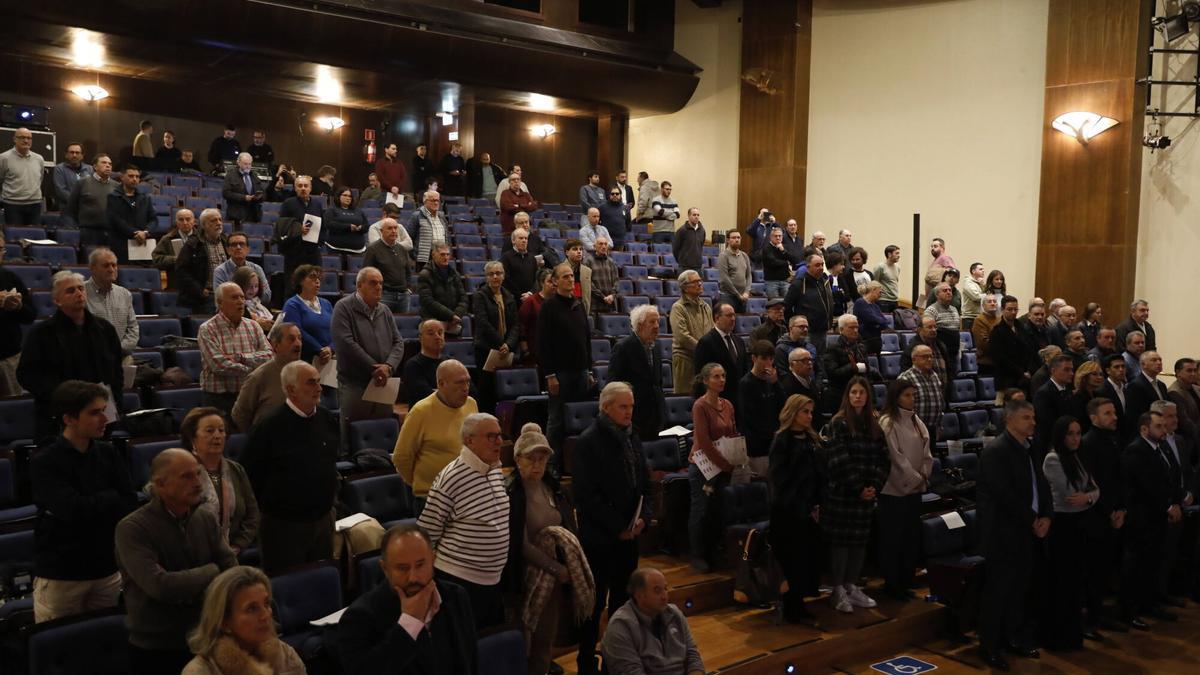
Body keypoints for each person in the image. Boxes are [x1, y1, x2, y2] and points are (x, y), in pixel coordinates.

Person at [116, 449, 237, 674]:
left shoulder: (204, 518)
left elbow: (232, 570)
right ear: (160, 484)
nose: (198, 483)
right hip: (158, 647)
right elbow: (161, 586)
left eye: (198, 474)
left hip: (205, 635)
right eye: (186, 477)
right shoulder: (132, 528)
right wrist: (211, 570)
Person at [30, 381, 136, 623]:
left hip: (105, 567)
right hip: (63, 573)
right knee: (61, 645)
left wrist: (96, 503)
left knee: (103, 642)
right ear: (69, 419)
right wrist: (109, 497)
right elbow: (71, 510)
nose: (104, 419)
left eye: (104, 411)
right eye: (94, 413)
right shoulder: (45, 461)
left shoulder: (108, 453)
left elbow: (129, 502)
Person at [572, 382, 652, 675]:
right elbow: (586, 496)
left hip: (629, 536)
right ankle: (585, 662)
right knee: (594, 606)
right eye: (623, 406)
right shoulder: (589, 441)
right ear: (606, 407)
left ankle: (614, 660)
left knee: (622, 601)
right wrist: (618, 527)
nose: (629, 412)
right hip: (600, 539)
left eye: (631, 406)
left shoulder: (633, 436)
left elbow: (644, 481)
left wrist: (645, 516)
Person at [334, 523, 478, 675]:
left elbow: (470, 660)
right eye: (402, 568)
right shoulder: (359, 618)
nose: (413, 577)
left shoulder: (456, 596)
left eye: (420, 565)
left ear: (433, 559)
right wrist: (409, 623)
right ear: (385, 568)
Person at [503, 423, 587, 675]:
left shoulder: (554, 487)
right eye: (531, 459)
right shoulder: (512, 493)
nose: (537, 465)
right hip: (524, 578)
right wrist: (556, 568)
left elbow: (568, 525)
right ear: (518, 459)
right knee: (522, 645)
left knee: (543, 644)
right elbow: (520, 543)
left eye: (542, 459)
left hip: (552, 580)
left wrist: (568, 564)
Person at [241, 361, 338, 575]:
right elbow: (251, 479)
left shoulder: (326, 418)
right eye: (311, 383)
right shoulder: (268, 428)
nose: (319, 388)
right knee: (288, 588)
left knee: (321, 582)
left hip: (322, 521)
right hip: (284, 528)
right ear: (291, 389)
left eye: (319, 382)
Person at [976, 399, 1051, 669]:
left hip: (1026, 531)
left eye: (1033, 417)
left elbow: (1040, 484)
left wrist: (1046, 516)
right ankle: (989, 647)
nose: (1033, 422)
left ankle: (1012, 638)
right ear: (1009, 420)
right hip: (1003, 534)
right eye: (1026, 418)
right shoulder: (996, 451)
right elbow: (1003, 495)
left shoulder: (1029, 447)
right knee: (998, 593)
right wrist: (1033, 519)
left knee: (1019, 590)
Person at [417, 412, 509, 629]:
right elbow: (427, 532)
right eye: (491, 436)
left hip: (492, 580)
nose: (499, 442)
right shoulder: (451, 477)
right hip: (459, 582)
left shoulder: (495, 469)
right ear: (469, 440)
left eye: (499, 435)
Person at [17, 271, 123, 439]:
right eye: (70, 290)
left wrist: (113, 400)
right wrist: (62, 397)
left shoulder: (104, 329)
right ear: (57, 300)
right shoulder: (42, 333)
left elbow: (117, 369)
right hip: (60, 415)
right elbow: (27, 374)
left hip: (102, 411)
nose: (78, 293)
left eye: (81, 288)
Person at [822, 376, 889, 613]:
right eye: (854, 393)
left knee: (859, 543)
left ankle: (851, 585)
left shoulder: (874, 425)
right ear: (847, 396)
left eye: (862, 392)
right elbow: (838, 460)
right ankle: (838, 588)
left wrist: (873, 487)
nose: (858, 396)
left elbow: (884, 459)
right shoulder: (838, 423)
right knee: (841, 544)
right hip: (844, 494)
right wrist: (859, 487)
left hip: (867, 495)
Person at [1040, 416, 1099, 650]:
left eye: (1077, 433)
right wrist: (1089, 497)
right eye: (1071, 434)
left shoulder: (1077, 456)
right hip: (1062, 527)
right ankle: (1057, 636)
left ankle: (1073, 634)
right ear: (1061, 436)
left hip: (1078, 524)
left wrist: (1089, 497)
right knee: (1062, 582)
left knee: (1075, 581)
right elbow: (1070, 496)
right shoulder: (1053, 459)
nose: (1076, 438)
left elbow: (1095, 489)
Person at [182, 566, 305, 675]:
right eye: (252, 609)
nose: (266, 615)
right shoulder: (200, 671)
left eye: (266, 604)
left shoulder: (285, 655)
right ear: (224, 622)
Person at [393, 360, 479, 516]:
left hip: (466, 495)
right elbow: (401, 457)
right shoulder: (421, 411)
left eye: (467, 382)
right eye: (459, 383)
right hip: (431, 499)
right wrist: (420, 483)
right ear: (441, 384)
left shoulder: (471, 404)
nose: (465, 388)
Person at [331, 267, 405, 442]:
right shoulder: (343, 307)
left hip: (383, 383)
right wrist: (374, 368)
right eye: (373, 282)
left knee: (381, 432)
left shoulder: (385, 310)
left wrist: (388, 367)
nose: (378, 287)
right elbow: (345, 343)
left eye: (380, 283)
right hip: (355, 384)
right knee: (351, 436)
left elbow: (398, 342)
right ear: (359, 285)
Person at [767, 394, 824, 622]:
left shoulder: (811, 439)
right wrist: (803, 505)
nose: (809, 416)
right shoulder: (782, 441)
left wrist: (817, 503)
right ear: (793, 413)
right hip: (788, 513)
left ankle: (800, 603)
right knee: (792, 561)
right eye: (805, 412)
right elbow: (780, 480)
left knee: (806, 560)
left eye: (811, 412)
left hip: (809, 509)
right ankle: (792, 608)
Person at [1119, 411, 1177, 630]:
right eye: (1159, 426)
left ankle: (1148, 603)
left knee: (1151, 563)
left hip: (1155, 518)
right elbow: (1145, 487)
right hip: (1141, 519)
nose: (1164, 430)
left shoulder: (1156, 449)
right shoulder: (1136, 451)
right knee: (1136, 566)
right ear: (1145, 429)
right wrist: (1168, 505)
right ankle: (1129, 611)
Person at [876, 380, 933, 602]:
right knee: (893, 539)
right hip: (894, 489)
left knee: (910, 537)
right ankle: (892, 583)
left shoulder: (916, 420)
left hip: (914, 489)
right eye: (908, 395)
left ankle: (906, 578)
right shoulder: (888, 422)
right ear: (896, 397)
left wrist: (924, 474)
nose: (912, 399)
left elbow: (927, 450)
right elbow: (896, 457)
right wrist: (915, 477)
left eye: (913, 395)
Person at [1077, 397, 1127, 634]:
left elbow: (1118, 479)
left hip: (1113, 513)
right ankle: (1089, 619)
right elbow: (1091, 484)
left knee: (1105, 569)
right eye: (1108, 413)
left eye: (1114, 412)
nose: (1114, 417)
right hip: (1096, 516)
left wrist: (1121, 509)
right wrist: (1110, 511)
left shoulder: (1112, 440)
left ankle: (1099, 615)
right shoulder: (1087, 444)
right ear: (1094, 417)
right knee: (1092, 571)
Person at [181, 407, 260, 555]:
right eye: (210, 431)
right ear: (192, 438)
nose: (217, 435)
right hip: (193, 555)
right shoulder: (182, 470)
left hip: (233, 553)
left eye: (221, 430)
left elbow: (252, 515)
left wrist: (238, 545)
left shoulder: (236, 470)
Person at [601, 568, 705, 675]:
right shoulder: (621, 626)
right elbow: (632, 671)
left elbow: (692, 656)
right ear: (639, 595)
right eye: (657, 590)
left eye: (665, 588)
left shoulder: (674, 614)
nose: (665, 596)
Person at [538, 263, 594, 454]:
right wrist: (550, 375)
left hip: (580, 371)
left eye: (571, 276)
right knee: (557, 420)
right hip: (560, 373)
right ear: (555, 281)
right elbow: (543, 344)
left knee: (581, 416)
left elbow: (586, 339)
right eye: (565, 277)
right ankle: (552, 460)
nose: (570, 279)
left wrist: (590, 370)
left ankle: (577, 458)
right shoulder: (549, 307)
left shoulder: (578, 305)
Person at [687, 363, 737, 572]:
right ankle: (697, 553)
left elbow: (733, 431)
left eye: (723, 376)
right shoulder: (700, 405)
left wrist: (735, 454)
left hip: (724, 463)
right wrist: (724, 464)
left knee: (718, 509)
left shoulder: (727, 404)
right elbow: (704, 441)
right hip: (705, 466)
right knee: (702, 510)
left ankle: (715, 551)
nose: (722, 380)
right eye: (716, 376)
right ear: (706, 381)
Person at [197, 283, 273, 415]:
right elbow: (219, 365)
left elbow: (269, 356)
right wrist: (253, 371)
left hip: (248, 395)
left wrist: (241, 357)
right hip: (218, 399)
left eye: (242, 297)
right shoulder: (207, 329)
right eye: (234, 298)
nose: (241, 302)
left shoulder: (253, 326)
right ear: (220, 303)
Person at [231, 322, 302, 432]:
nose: (298, 344)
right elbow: (239, 415)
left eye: (299, 338)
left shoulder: (306, 372)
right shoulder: (259, 376)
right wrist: (258, 436)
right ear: (275, 345)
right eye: (291, 339)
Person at [609, 304, 666, 441]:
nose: (657, 326)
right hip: (635, 415)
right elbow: (614, 383)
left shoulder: (656, 346)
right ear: (640, 325)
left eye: (658, 321)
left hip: (655, 415)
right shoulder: (623, 347)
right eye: (652, 322)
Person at [471, 261, 520, 413]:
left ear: (503, 276)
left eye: (498, 273)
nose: (495, 277)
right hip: (486, 348)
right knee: (487, 390)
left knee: (505, 388)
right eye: (491, 274)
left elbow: (515, 325)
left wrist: (508, 344)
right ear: (486, 277)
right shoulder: (480, 296)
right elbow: (483, 323)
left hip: (505, 349)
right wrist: (501, 344)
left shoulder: (509, 296)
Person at [693, 302, 750, 410]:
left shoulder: (739, 341)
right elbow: (700, 376)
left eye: (734, 315)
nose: (733, 319)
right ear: (717, 318)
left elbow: (744, 371)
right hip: (717, 402)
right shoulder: (706, 342)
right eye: (729, 316)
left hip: (739, 402)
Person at [739, 340, 783, 477]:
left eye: (771, 359)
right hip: (757, 446)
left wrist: (776, 384)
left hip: (774, 443)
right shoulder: (746, 383)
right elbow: (748, 418)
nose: (768, 363)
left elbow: (784, 406)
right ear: (754, 358)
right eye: (764, 359)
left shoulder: (772, 381)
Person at [84, 247, 140, 355]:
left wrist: (118, 349)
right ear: (92, 268)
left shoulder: (125, 294)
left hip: (122, 355)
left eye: (114, 265)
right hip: (92, 356)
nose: (111, 269)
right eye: (106, 266)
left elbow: (133, 328)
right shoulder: (81, 293)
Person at [0, 234, 35, 396]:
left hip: (9, 356)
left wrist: (18, 307)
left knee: (15, 408)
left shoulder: (10, 277)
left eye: (1, 249)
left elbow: (30, 316)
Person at [176, 208, 229, 314]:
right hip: (205, 296)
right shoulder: (193, 244)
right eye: (213, 221)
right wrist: (200, 290)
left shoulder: (226, 241)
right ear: (204, 225)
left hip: (226, 294)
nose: (218, 223)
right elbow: (181, 270)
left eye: (220, 219)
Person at [669, 270, 714, 394]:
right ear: (684, 287)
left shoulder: (706, 306)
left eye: (700, 280)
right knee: (686, 396)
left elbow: (712, 331)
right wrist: (703, 348)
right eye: (695, 282)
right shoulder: (678, 307)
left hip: (703, 358)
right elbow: (682, 336)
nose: (699, 284)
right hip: (685, 359)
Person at [281, 265, 334, 363]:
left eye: (319, 278)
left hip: (329, 358)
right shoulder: (292, 304)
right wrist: (319, 350)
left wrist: (331, 348)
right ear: (301, 281)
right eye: (312, 277)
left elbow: (336, 329)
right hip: (304, 359)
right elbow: (297, 332)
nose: (317, 281)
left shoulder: (326, 303)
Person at [276, 176, 324, 281]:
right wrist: (298, 229)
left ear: (310, 188)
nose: (303, 188)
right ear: (295, 188)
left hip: (313, 251)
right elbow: (282, 227)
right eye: (300, 186)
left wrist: (320, 242)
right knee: (293, 284)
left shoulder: (317, 204)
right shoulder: (288, 203)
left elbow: (323, 225)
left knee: (314, 282)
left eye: (306, 186)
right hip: (294, 251)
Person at [896, 344, 945, 446]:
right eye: (925, 357)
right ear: (914, 360)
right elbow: (899, 407)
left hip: (932, 429)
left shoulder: (935, 376)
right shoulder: (905, 378)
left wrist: (939, 425)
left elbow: (939, 401)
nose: (929, 359)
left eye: (931, 356)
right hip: (913, 430)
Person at [68, 153, 118, 249]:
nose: (108, 165)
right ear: (95, 166)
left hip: (110, 232)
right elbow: (71, 208)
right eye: (104, 163)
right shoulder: (82, 183)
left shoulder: (117, 186)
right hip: (88, 232)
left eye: (110, 164)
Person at [418, 242, 469, 336]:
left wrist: (456, 315)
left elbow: (464, 297)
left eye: (447, 254)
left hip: (452, 322)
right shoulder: (425, 274)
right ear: (433, 255)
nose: (446, 257)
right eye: (442, 254)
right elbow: (428, 301)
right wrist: (451, 316)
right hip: (432, 320)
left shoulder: (454, 273)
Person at [364, 218, 413, 313]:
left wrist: (407, 288)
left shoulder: (402, 249)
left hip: (403, 296)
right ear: (381, 231)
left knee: (402, 326)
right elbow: (367, 273)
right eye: (390, 228)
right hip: (383, 295)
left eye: (395, 228)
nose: (393, 231)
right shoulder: (373, 249)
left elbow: (408, 271)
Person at [821, 314, 872, 408]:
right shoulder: (832, 348)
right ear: (841, 330)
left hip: (860, 390)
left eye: (857, 327)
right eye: (851, 328)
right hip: (841, 393)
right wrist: (853, 367)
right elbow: (832, 373)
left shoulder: (860, 347)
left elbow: (867, 369)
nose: (855, 330)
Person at [106, 164, 153, 263]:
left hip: (141, 243)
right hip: (121, 243)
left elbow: (153, 219)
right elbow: (115, 220)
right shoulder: (113, 197)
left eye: (137, 176)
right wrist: (135, 233)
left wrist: (145, 232)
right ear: (122, 177)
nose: (135, 179)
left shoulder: (145, 198)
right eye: (131, 176)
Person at [784, 254, 833, 348]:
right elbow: (787, 307)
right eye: (817, 265)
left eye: (822, 264)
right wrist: (795, 326)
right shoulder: (799, 284)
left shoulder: (825, 281)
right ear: (808, 267)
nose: (821, 267)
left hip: (824, 329)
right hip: (807, 331)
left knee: (821, 359)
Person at [212, 232, 271, 305]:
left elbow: (267, 296)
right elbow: (220, 300)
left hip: (254, 311)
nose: (238, 247)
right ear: (228, 250)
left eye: (242, 244)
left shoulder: (257, 269)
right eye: (234, 245)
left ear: (248, 249)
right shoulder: (220, 271)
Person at [0, 127, 44, 224]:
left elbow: (40, 179)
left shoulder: (39, 158)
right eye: (22, 137)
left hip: (35, 204)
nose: (26, 140)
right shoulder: (4, 158)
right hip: (12, 205)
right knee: (15, 237)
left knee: (34, 237)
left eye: (29, 138)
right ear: (15, 139)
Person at [989, 295, 1033, 391]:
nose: (1013, 312)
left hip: (1023, 378)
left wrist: (1027, 370)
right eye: (1010, 309)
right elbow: (1000, 358)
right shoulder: (997, 331)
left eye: (1015, 309)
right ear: (1002, 309)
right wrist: (1021, 372)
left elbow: (1028, 350)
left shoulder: (1021, 327)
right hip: (1006, 379)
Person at [1034, 354, 1076, 449]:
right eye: (1066, 370)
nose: (1071, 373)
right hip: (1051, 446)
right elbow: (1047, 426)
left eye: (1072, 369)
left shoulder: (1067, 390)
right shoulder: (1043, 394)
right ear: (1053, 371)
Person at [401, 320, 445, 408]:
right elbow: (427, 396)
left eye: (440, 333)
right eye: (431, 333)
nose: (437, 337)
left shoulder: (452, 363)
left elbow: (471, 391)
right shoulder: (413, 365)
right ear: (420, 338)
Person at [153, 208, 197, 289]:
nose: (185, 222)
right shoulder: (167, 239)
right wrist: (174, 259)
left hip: (197, 284)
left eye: (188, 219)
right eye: (181, 220)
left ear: (194, 221)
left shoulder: (201, 238)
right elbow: (156, 259)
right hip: (176, 284)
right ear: (176, 222)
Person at [1125, 350, 1169, 427]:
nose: (1159, 363)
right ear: (1143, 364)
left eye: (1160, 360)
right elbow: (1135, 415)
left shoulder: (1162, 385)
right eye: (1154, 360)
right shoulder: (1135, 385)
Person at [925, 282, 961, 373]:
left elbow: (957, 330)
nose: (948, 292)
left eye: (950, 290)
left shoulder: (954, 309)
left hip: (954, 353)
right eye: (945, 290)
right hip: (939, 354)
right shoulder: (931, 310)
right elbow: (927, 332)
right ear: (937, 295)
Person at [51, 142, 92, 223]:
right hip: (68, 212)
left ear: (82, 155)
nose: (74, 155)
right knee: (70, 234)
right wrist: (79, 202)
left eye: (77, 153)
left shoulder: (89, 169)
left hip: (86, 212)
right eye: (71, 152)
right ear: (66, 155)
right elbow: (61, 191)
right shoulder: (59, 169)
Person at [221, 153, 265, 226]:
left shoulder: (254, 176)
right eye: (245, 164)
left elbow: (263, 193)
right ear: (238, 162)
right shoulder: (230, 175)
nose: (248, 166)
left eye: (250, 164)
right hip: (236, 216)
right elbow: (226, 193)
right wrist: (244, 198)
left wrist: (259, 197)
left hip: (253, 215)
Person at [718, 230, 752, 313]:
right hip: (728, 296)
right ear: (728, 240)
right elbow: (724, 279)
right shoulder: (723, 256)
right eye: (733, 238)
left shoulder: (744, 255)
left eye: (738, 237)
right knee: (728, 324)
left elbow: (749, 275)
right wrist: (738, 295)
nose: (737, 240)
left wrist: (747, 292)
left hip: (743, 297)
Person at [501, 228, 539, 301]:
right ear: (513, 240)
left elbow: (536, 278)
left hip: (530, 298)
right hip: (513, 299)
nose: (524, 240)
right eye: (521, 238)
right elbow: (506, 280)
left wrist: (530, 293)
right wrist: (520, 296)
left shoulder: (532, 258)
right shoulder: (506, 257)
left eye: (526, 238)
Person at [232, 266, 274, 333]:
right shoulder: (236, 307)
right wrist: (257, 323)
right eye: (249, 286)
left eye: (256, 286)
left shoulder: (260, 303)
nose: (253, 290)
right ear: (240, 285)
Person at [853, 281, 889, 354]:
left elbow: (885, 323)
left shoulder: (875, 306)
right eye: (880, 292)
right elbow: (870, 319)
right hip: (865, 341)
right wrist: (878, 323)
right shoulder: (860, 303)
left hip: (876, 341)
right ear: (873, 290)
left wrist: (877, 323)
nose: (880, 295)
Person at [761, 227, 796, 299]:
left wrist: (783, 250)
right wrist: (786, 262)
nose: (778, 238)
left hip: (785, 281)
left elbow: (793, 260)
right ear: (771, 237)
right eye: (775, 236)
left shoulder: (785, 247)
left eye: (780, 236)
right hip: (771, 282)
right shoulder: (766, 248)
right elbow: (772, 262)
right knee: (774, 306)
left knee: (787, 304)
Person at [1168, 357, 1200, 436]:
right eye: (1189, 371)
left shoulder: (1196, 388)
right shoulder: (1174, 392)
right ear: (1178, 372)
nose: (1193, 374)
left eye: (1195, 370)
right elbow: (1185, 424)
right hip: (1188, 439)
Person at [589, 236, 619, 313]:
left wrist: (612, 295)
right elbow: (588, 283)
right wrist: (602, 297)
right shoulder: (588, 261)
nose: (603, 246)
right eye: (600, 244)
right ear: (594, 246)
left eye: (605, 244)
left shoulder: (611, 261)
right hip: (596, 304)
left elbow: (616, 281)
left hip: (611, 303)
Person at [924, 237, 957, 307]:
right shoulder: (936, 260)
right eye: (932, 246)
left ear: (942, 248)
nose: (932, 248)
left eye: (935, 246)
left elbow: (952, 274)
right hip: (933, 298)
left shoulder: (944, 258)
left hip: (939, 300)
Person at [672, 207, 705, 273]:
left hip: (698, 267)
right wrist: (682, 261)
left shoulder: (702, 230)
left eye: (698, 215)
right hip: (684, 267)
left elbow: (701, 246)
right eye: (694, 215)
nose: (696, 217)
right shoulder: (682, 230)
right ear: (689, 216)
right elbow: (675, 249)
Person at [871, 245, 902, 315]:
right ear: (889, 254)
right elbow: (874, 283)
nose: (899, 255)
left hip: (895, 300)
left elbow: (894, 282)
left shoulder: (898, 267)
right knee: (885, 322)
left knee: (895, 322)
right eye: (896, 253)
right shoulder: (880, 267)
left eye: (899, 253)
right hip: (883, 300)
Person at [598, 185, 630, 249]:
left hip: (620, 242)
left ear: (620, 195)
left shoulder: (625, 208)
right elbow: (597, 222)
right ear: (609, 195)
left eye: (617, 194)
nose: (615, 195)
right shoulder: (602, 207)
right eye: (612, 194)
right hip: (605, 241)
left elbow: (628, 224)